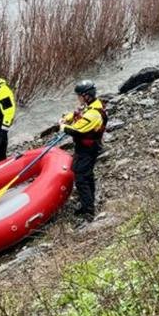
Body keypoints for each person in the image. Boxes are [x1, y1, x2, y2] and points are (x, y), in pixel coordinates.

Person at [59, 80, 107, 224]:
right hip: (84, 147)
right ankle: (88, 202)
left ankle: (88, 211)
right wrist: (66, 118)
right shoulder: (90, 106)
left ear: (86, 96)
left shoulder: (94, 114)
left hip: (89, 148)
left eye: (79, 95)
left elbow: (77, 130)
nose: (78, 98)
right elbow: (77, 114)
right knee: (86, 175)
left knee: (81, 178)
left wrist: (62, 127)